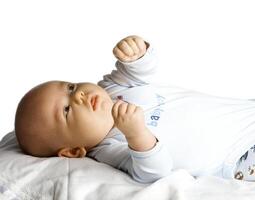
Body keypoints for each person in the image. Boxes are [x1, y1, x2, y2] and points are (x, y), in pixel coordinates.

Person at [15, 35, 255, 183]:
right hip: (238, 157)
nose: (78, 95)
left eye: (69, 87)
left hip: (243, 114)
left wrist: (137, 54)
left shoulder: (111, 87)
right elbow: (154, 172)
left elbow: (141, 70)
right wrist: (136, 134)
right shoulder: (108, 149)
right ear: (73, 152)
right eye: (66, 111)